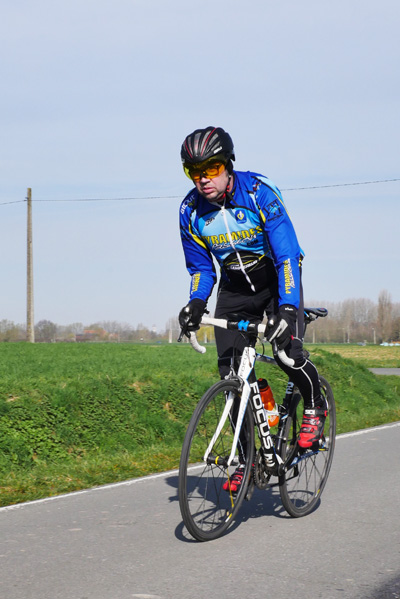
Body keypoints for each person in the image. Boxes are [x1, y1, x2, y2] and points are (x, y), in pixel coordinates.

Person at [178, 126, 326, 492]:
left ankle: (314, 404)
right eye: (193, 171)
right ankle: (246, 462)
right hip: (234, 289)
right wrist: (196, 302)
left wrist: (287, 309)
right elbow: (201, 269)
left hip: (276, 282)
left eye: (211, 169)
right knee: (231, 376)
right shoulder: (190, 211)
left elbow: (288, 255)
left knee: (286, 355)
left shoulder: (259, 192)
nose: (202, 179)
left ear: (228, 165)